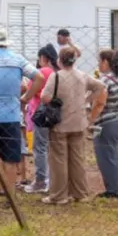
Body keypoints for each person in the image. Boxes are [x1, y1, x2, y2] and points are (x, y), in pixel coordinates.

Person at [40, 46, 106, 205]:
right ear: (74, 60)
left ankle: (59, 195)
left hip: (60, 122)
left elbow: (45, 97)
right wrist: (86, 100)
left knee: (58, 160)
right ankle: (80, 193)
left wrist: (57, 101)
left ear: (59, 60)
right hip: (79, 122)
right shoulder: (82, 76)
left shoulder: (56, 76)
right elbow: (100, 86)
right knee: (77, 159)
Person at [0, 26, 45, 192]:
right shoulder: (17, 59)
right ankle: (9, 191)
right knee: (10, 158)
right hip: (11, 114)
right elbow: (39, 77)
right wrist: (26, 98)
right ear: (6, 43)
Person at [90, 49, 118, 199]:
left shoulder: (105, 81)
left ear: (105, 62)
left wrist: (91, 121)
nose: (98, 65)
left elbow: (100, 103)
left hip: (109, 124)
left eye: (99, 61)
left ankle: (115, 191)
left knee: (108, 157)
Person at [24, 44, 58, 194]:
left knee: (40, 147)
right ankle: (52, 179)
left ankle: (41, 180)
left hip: (41, 114)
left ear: (43, 58)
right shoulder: (57, 72)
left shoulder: (43, 72)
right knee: (51, 147)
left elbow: (31, 89)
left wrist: (25, 97)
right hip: (55, 114)